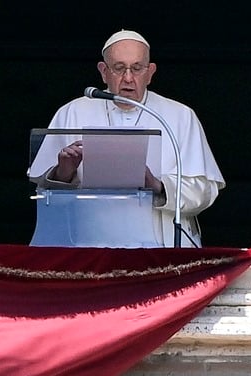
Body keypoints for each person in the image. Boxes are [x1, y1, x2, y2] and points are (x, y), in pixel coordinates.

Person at [28, 30, 224, 247]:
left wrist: (157, 185)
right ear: (103, 71)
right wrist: (63, 171)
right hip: (88, 245)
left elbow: (205, 190)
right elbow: (44, 193)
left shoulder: (179, 116)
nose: (128, 78)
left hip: (160, 248)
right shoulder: (72, 112)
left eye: (137, 68)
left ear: (150, 72)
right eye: (119, 68)